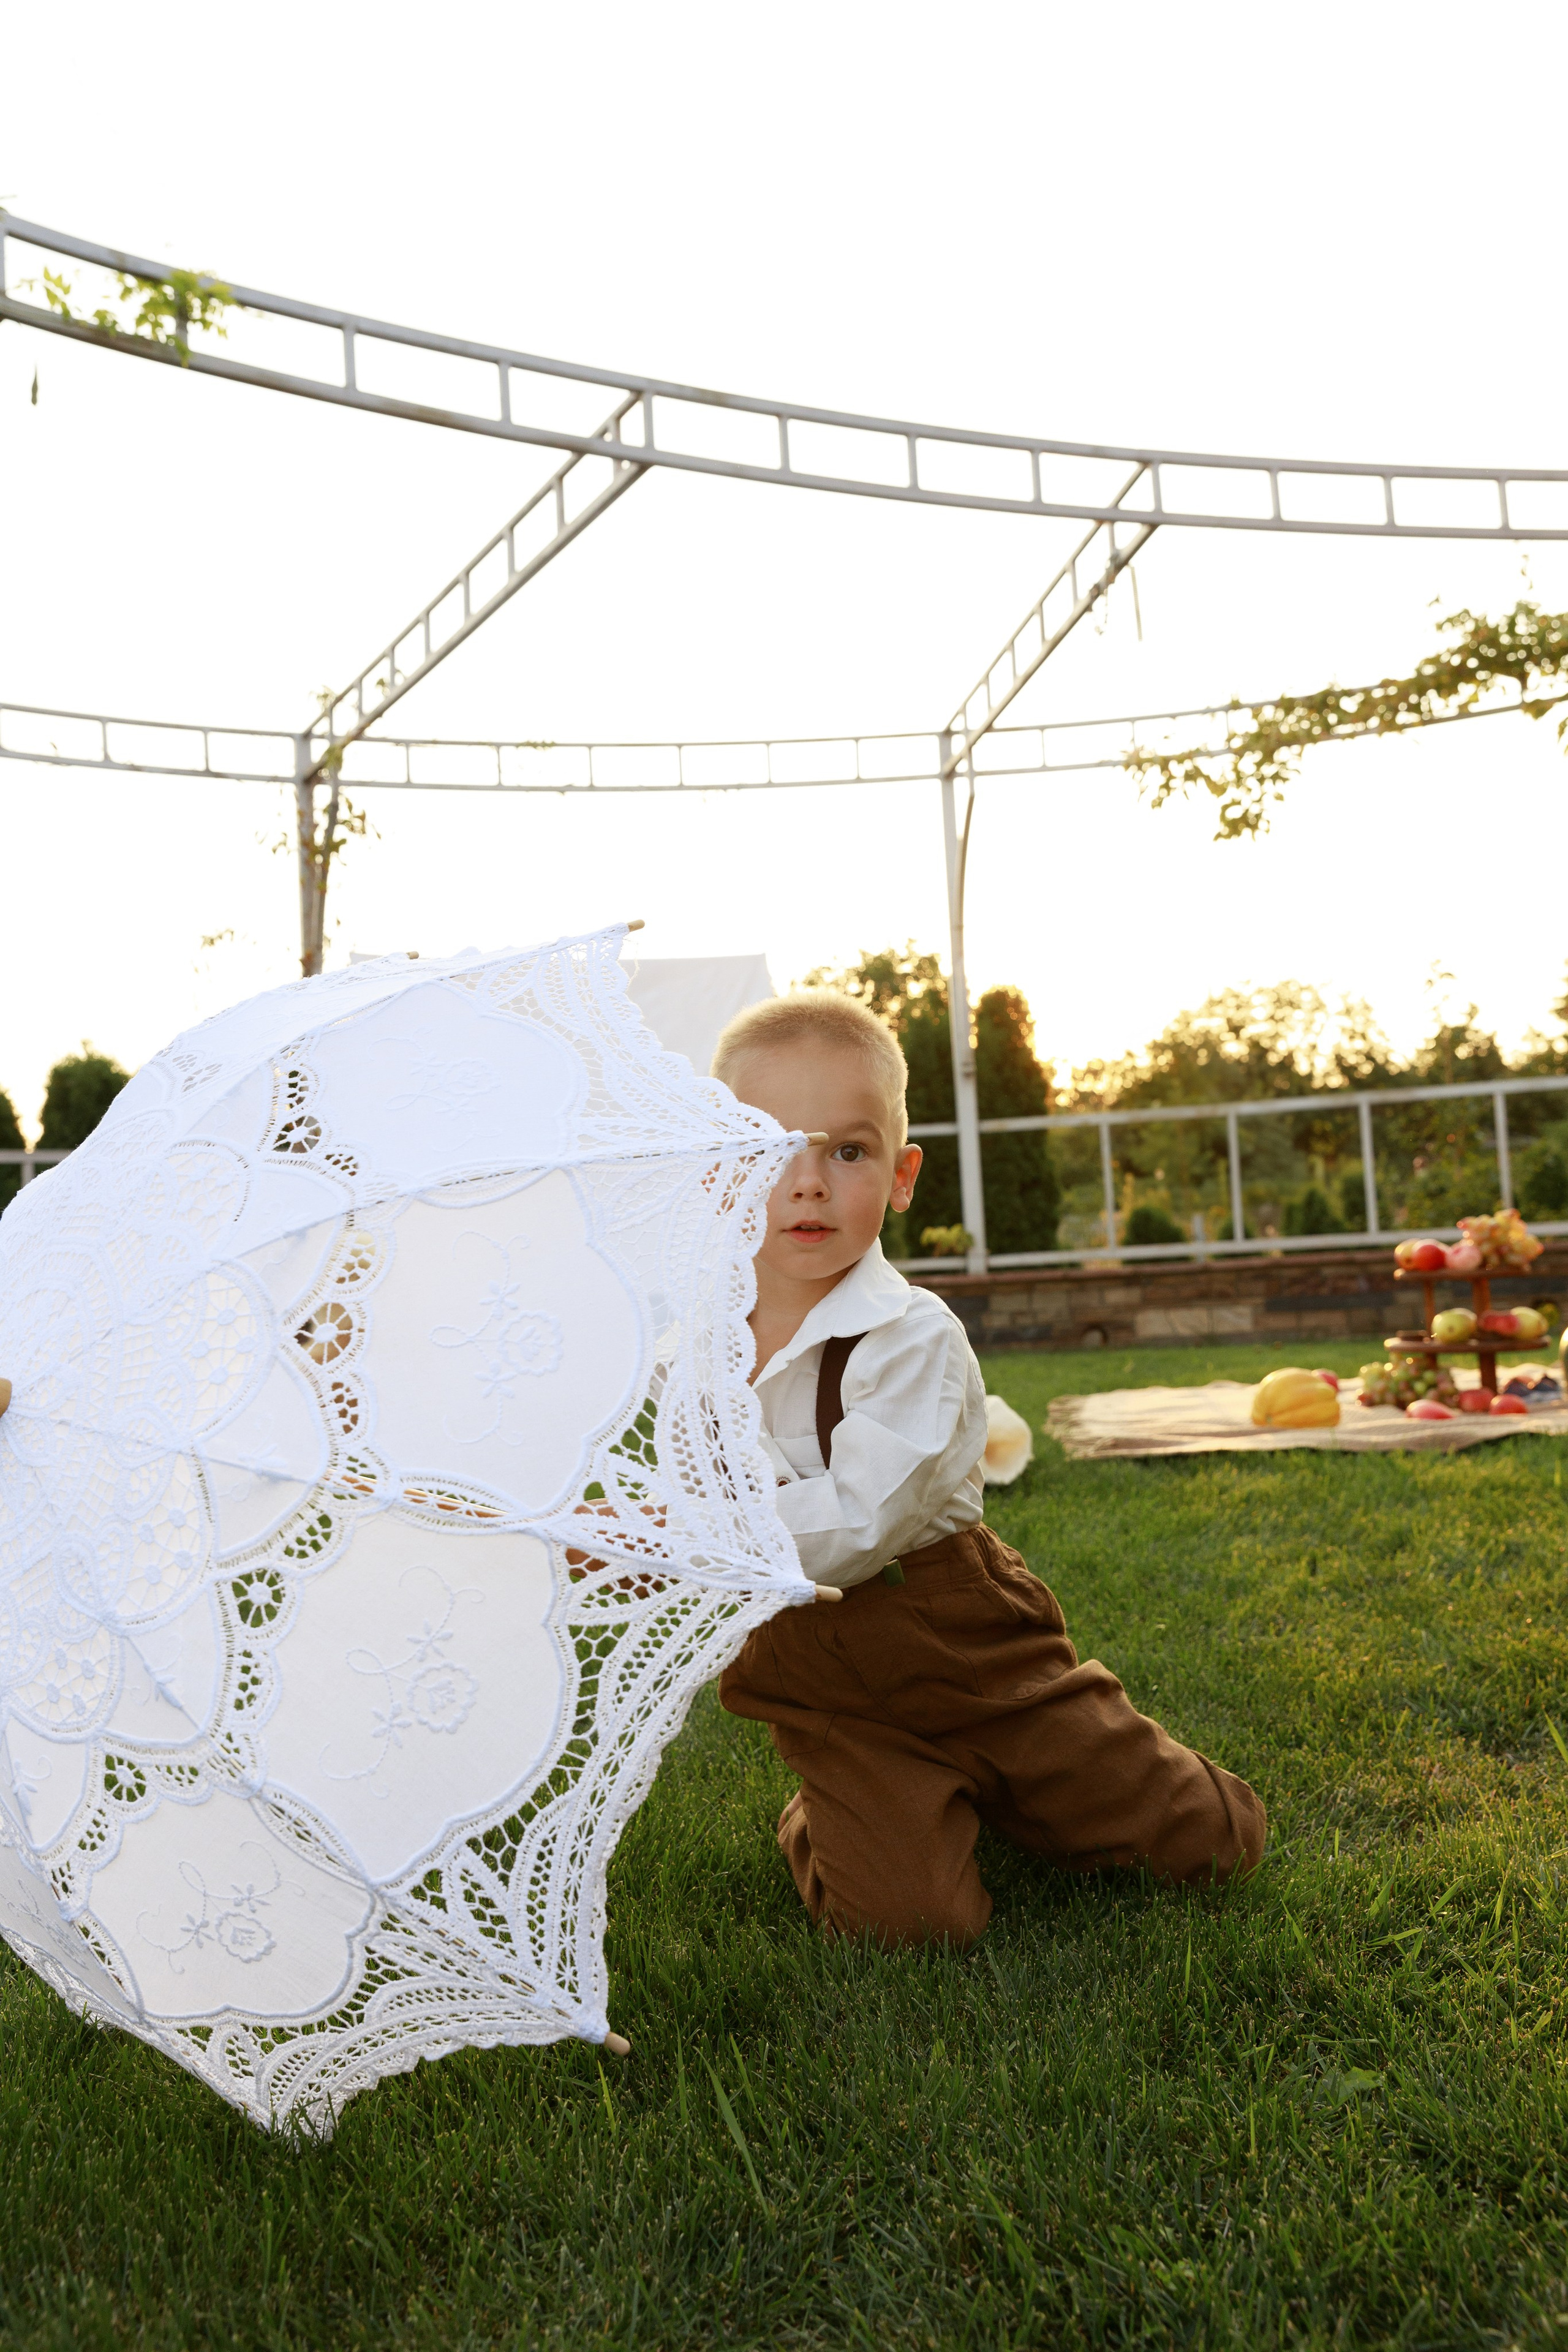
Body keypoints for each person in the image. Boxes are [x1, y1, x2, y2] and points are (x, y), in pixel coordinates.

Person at [714, 989, 1265, 1949]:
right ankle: (854, 1810)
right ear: (714, 1174)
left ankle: (1028, 1778)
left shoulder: (912, 1335)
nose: (808, 1183)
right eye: (770, 1150)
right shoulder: (692, 1348)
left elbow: (856, 1524)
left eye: (848, 1151)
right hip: (823, 1684)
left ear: (901, 1175)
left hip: (960, 1640)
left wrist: (691, 1535)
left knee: (1205, 1846)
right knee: (915, 1925)